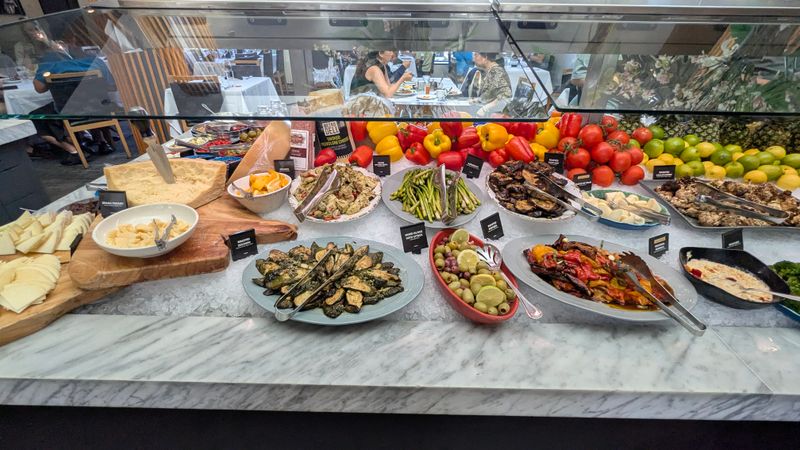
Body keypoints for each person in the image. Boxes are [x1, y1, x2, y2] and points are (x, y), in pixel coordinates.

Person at [29, 35, 118, 165]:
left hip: (70, 111)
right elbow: (111, 87)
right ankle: (101, 141)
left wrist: (54, 80)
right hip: (100, 109)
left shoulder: (49, 63)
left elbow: (39, 88)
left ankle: (74, 150)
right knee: (93, 100)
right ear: (74, 41)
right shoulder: (94, 60)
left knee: (37, 115)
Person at [472, 52, 512, 116]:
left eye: (476, 55)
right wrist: (479, 100)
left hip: (499, 113)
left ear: (485, 57)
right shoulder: (490, 70)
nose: (473, 59)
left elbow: (505, 97)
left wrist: (485, 109)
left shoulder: (497, 71)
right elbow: (490, 92)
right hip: (493, 109)